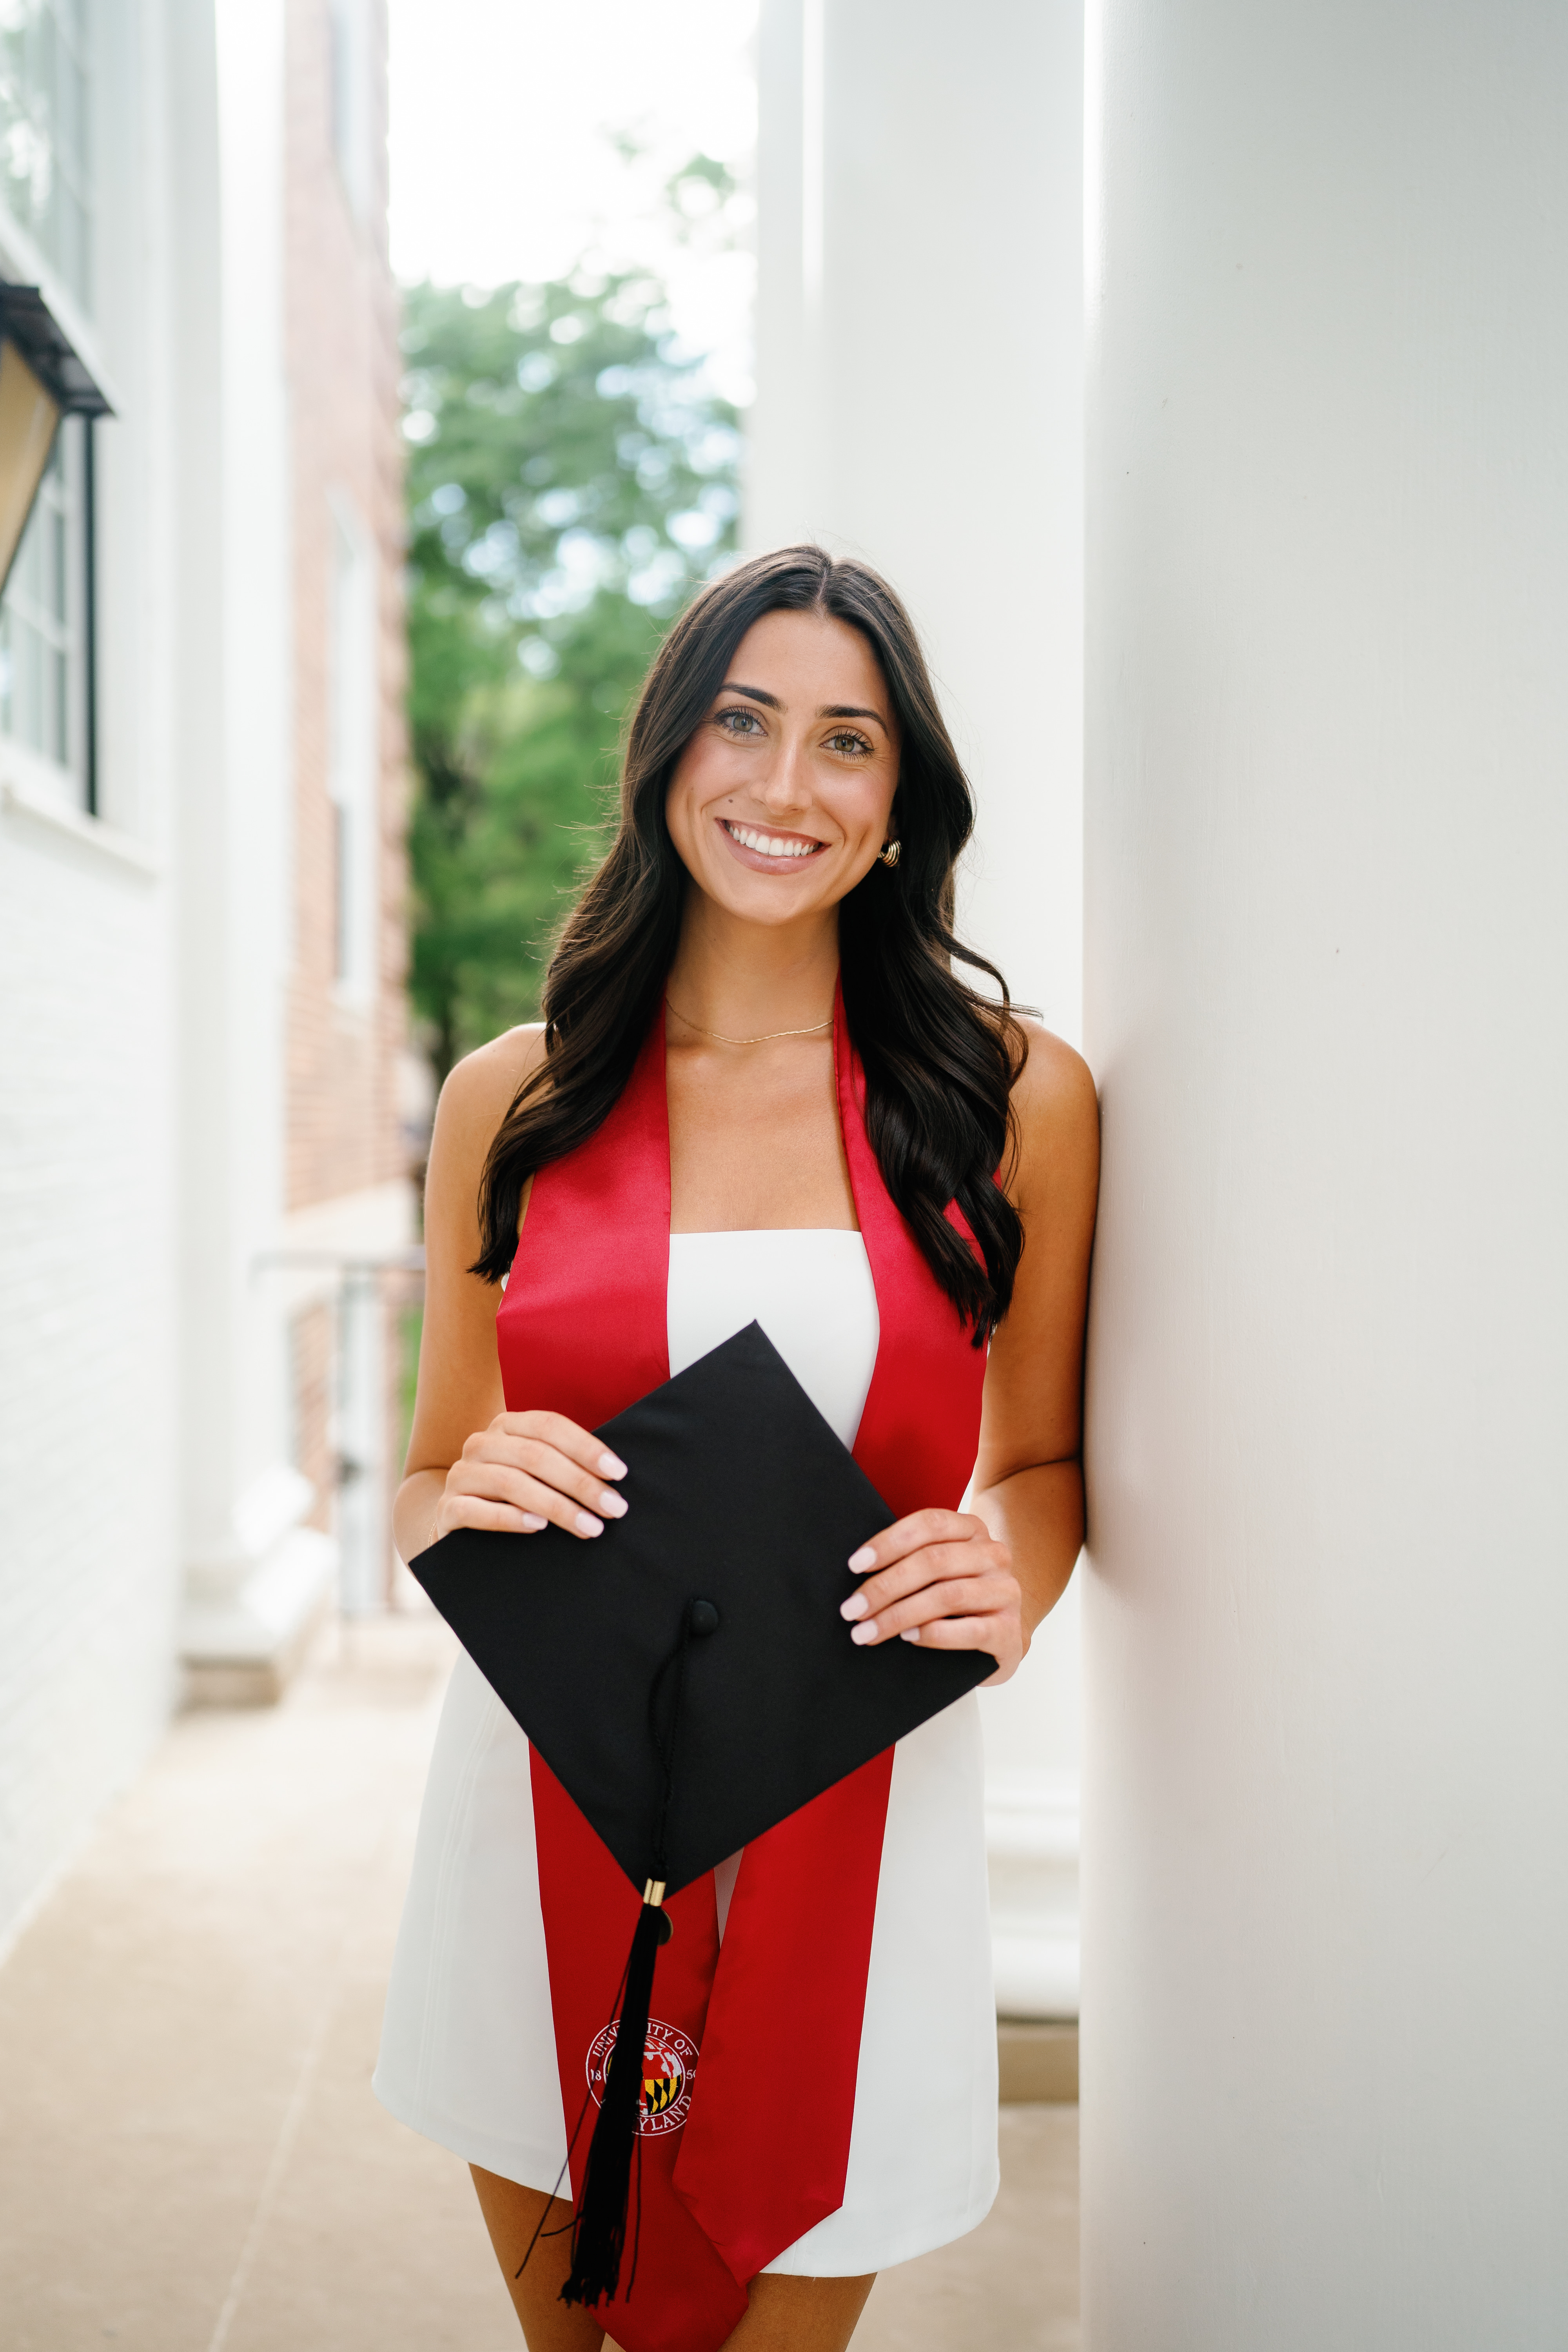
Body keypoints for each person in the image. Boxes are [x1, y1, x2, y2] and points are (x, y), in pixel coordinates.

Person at [373, 544, 1099, 2352]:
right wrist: (460, 1495)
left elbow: (1045, 1457)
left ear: (900, 799)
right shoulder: (515, 1097)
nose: (786, 788)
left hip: (854, 1795)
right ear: (664, 756)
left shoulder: (1014, 1097)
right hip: (542, 1805)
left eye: (846, 743)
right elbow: (427, 1472)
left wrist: (1009, 1571)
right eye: (742, 722)